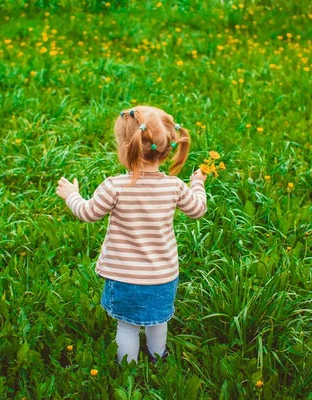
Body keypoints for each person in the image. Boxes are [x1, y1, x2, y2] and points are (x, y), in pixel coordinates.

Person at [56, 105, 207, 365]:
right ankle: (158, 357)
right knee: (158, 322)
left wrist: (71, 195)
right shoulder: (175, 186)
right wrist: (198, 184)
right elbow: (198, 209)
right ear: (166, 148)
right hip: (162, 276)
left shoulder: (115, 186)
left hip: (124, 276)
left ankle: (127, 369)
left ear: (126, 148)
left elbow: (87, 212)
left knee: (127, 327)